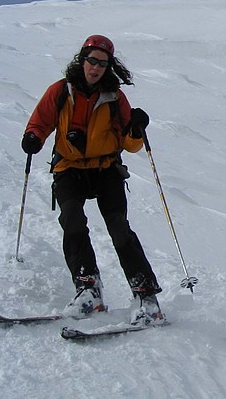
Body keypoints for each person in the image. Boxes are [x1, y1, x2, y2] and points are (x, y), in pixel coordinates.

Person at [21, 34, 164, 325]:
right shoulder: (61, 91)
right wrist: (33, 137)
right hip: (69, 169)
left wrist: (137, 129)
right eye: (92, 61)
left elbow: (130, 142)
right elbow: (41, 120)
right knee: (72, 220)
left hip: (106, 169)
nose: (96, 67)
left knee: (119, 228)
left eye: (103, 63)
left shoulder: (115, 96)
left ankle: (146, 295)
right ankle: (88, 290)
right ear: (82, 60)